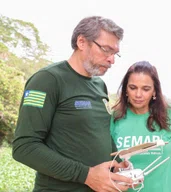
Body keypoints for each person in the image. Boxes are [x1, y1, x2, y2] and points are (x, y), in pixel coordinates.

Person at [12, 16, 133, 192]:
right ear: (82, 42)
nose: (112, 60)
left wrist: (117, 163)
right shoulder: (47, 80)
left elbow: (99, 132)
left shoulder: (99, 85)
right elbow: (24, 147)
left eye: (115, 54)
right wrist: (87, 175)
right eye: (106, 50)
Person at [110, 61, 171, 192]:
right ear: (126, 89)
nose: (138, 94)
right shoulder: (115, 118)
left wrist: (160, 171)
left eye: (145, 89)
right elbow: (110, 161)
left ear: (154, 91)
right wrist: (119, 169)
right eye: (133, 87)